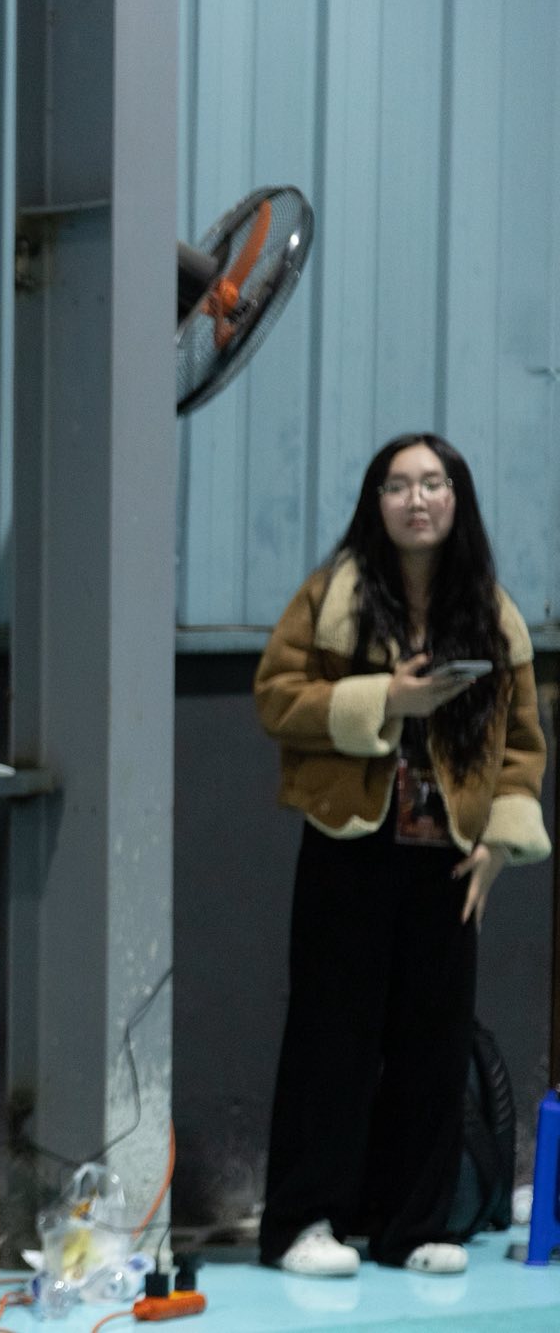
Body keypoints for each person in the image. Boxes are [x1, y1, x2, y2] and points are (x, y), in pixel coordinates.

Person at [253, 433, 548, 1277]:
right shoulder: (333, 596)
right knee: (331, 1038)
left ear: (458, 499)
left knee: (435, 1043)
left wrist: (499, 843)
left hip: (447, 856)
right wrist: (388, 698)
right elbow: (276, 697)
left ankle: (414, 1228)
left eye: (433, 483)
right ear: (374, 503)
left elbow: (522, 741)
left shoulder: (491, 612)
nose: (417, 499)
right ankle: (304, 1223)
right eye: (398, 485)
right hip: (350, 842)